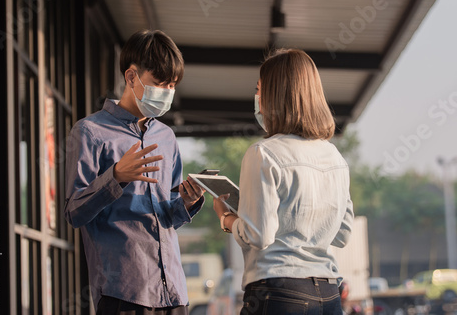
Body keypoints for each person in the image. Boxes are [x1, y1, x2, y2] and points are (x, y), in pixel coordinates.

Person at [65, 30, 205, 315]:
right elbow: (74, 212)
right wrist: (115, 176)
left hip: (174, 293)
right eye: (160, 84)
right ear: (131, 78)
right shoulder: (89, 132)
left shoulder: (166, 137)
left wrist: (187, 203)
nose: (167, 93)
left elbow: (165, 218)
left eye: (172, 85)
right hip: (124, 292)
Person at [213, 48, 354, 315]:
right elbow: (343, 234)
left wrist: (226, 219)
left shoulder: (263, 153)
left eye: (259, 89)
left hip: (278, 292)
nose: (256, 98)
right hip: (328, 292)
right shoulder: (334, 156)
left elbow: (259, 235)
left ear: (275, 94)